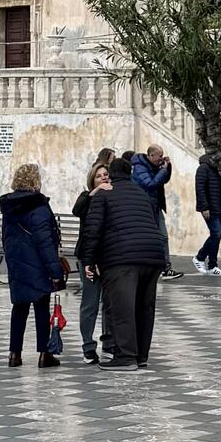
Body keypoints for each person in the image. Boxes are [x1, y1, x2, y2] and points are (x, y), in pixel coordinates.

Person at [78, 154, 168, 368]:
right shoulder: (141, 193)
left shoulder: (105, 194)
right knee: (144, 308)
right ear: (130, 173)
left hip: (122, 259)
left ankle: (125, 357)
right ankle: (141, 356)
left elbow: (93, 230)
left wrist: (89, 260)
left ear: (112, 174)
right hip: (152, 257)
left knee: (122, 308)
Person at [0, 162, 65, 368]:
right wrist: (56, 272)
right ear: (36, 181)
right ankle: (45, 354)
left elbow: (6, 239)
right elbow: (45, 243)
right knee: (41, 309)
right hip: (38, 266)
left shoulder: (9, 208)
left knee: (19, 309)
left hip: (17, 265)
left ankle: (14, 354)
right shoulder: (39, 207)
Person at [72, 159, 117, 363]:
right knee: (90, 302)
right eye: (99, 176)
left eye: (105, 175)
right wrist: (96, 191)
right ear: (92, 180)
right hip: (88, 256)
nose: (103, 178)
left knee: (110, 303)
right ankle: (88, 346)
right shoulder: (86, 197)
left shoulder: (114, 195)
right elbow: (77, 210)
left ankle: (109, 342)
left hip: (109, 256)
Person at [132, 143, 181, 278]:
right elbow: (150, 184)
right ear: (151, 155)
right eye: (159, 156)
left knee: (163, 237)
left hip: (156, 205)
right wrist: (162, 170)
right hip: (145, 207)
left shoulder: (154, 166)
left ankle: (166, 268)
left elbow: (163, 181)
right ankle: (149, 267)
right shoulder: (139, 167)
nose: (161, 158)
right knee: (148, 238)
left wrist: (167, 168)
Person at [193, 152, 221, 275]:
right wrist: (204, 207)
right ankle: (199, 257)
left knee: (217, 236)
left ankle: (212, 266)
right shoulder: (203, 168)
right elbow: (200, 188)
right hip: (210, 208)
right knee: (216, 234)